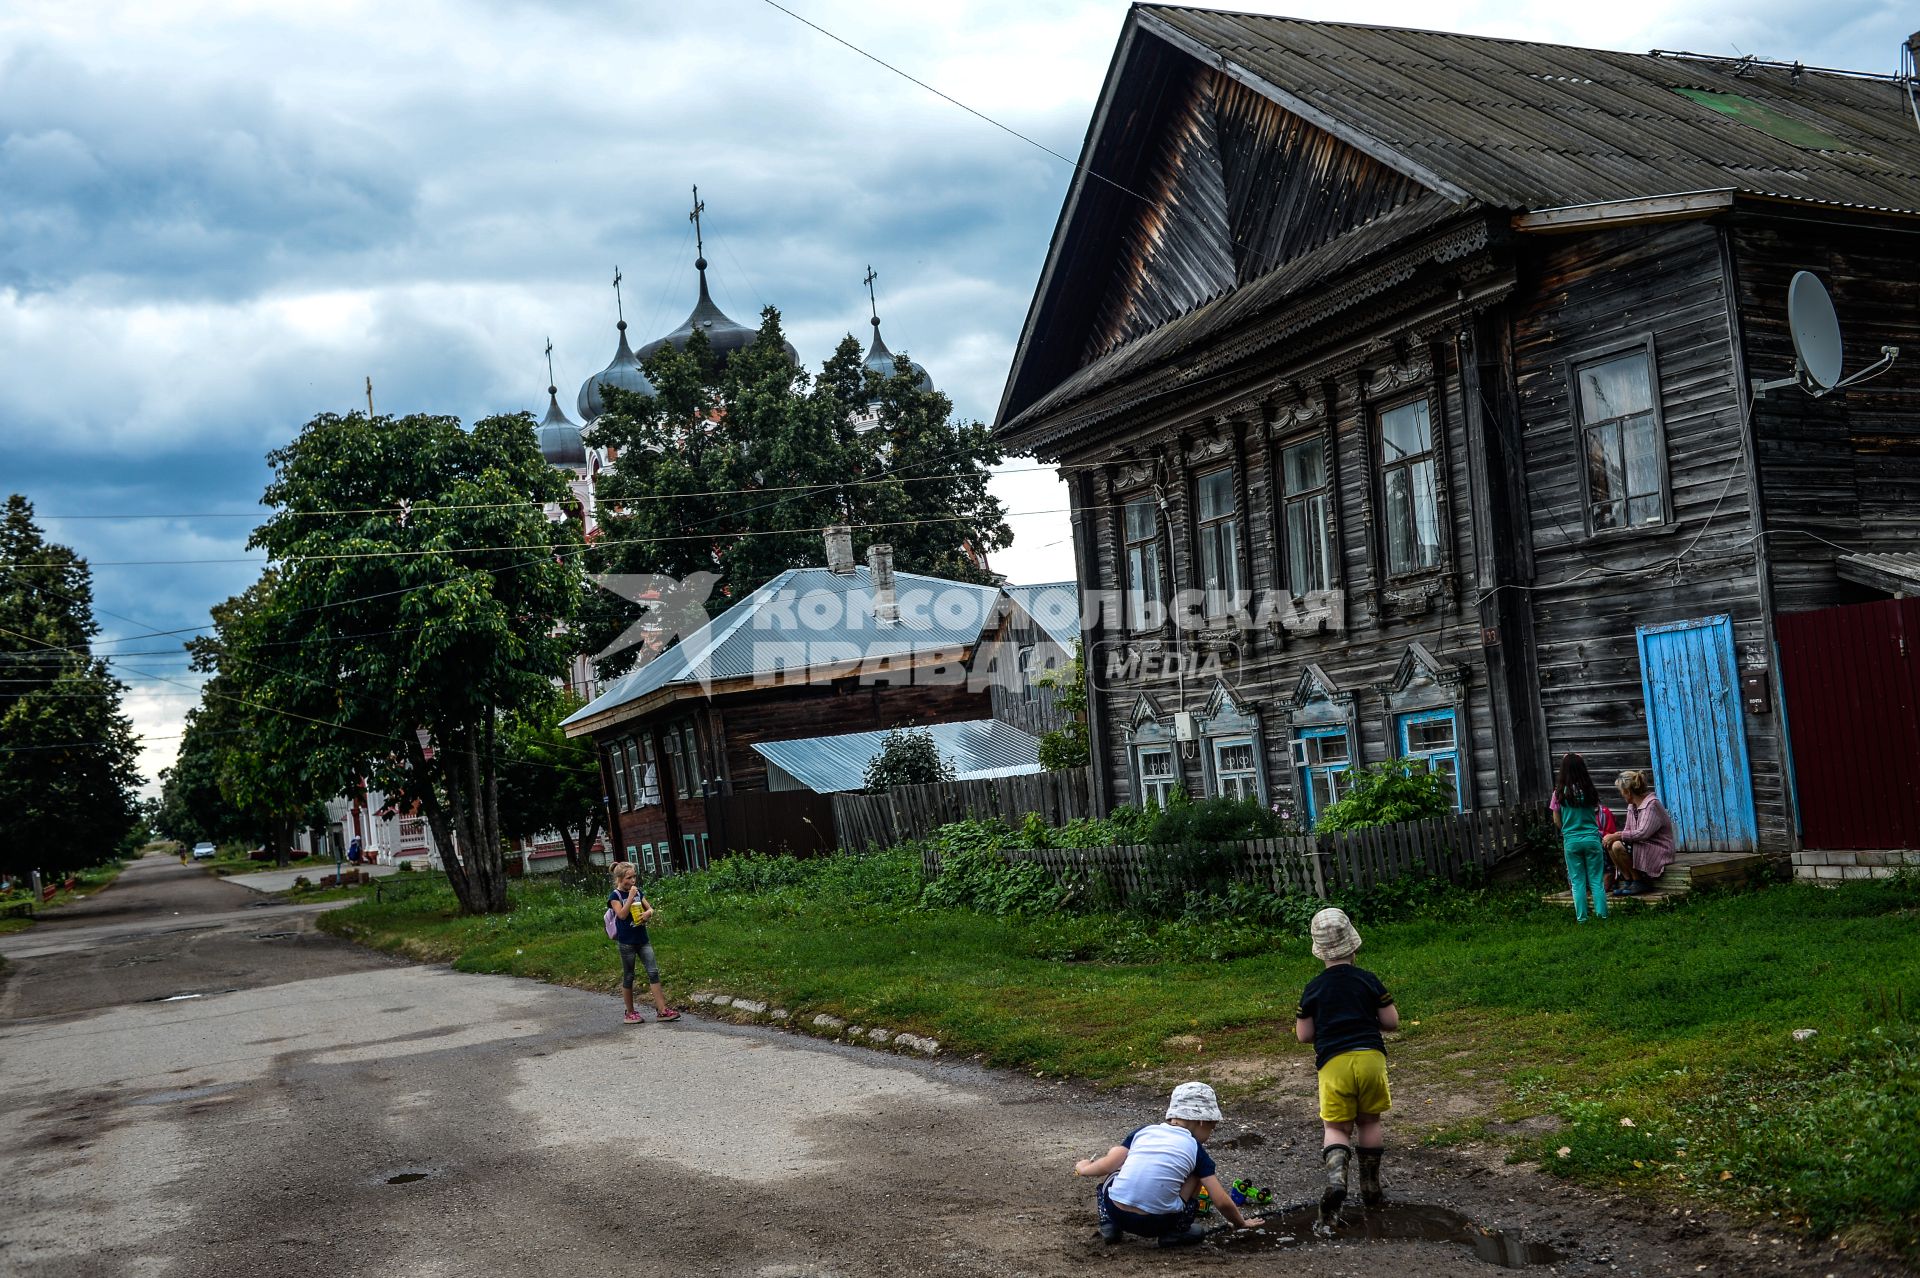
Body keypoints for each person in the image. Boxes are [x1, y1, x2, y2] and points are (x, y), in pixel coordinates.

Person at [1296, 907, 1397, 1227]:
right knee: (1369, 1122)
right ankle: (1370, 1186)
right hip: (1370, 1058)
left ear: (1319, 951)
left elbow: (1304, 1035)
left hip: (1333, 1064)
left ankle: (1338, 1181)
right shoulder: (1368, 980)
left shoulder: (1313, 988)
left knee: (1336, 1127)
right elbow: (1391, 1021)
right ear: (1353, 945)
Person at [1072, 1081, 1264, 1246]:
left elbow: (1106, 1166)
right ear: (1203, 1121)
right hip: (1158, 1223)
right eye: (1212, 1128)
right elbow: (1221, 1200)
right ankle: (1176, 1232)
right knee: (1197, 1175)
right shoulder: (1196, 1149)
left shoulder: (1144, 1132)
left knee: (1114, 1172)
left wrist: (1083, 1168)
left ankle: (1109, 1225)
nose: (1210, 1134)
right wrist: (1241, 1223)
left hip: (1117, 1213)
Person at [607, 861, 681, 1025]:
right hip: (626, 942)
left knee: (653, 972)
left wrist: (648, 913)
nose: (633, 881)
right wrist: (631, 897)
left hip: (642, 939)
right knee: (629, 975)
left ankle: (662, 1010)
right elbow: (621, 915)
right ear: (620, 878)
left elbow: (650, 908)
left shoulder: (638, 892)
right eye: (629, 878)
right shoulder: (615, 896)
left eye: (634, 877)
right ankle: (630, 1012)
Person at [1552, 752, 1608, 922]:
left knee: (1577, 882)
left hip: (1571, 841)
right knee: (1597, 880)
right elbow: (1599, 813)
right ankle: (1602, 916)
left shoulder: (1559, 793)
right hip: (1591, 838)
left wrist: (1568, 830)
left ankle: (1582, 919)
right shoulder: (1589, 790)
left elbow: (1556, 820)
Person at [1605, 769, 1676, 896]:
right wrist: (1613, 837)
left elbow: (1643, 833)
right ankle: (1629, 880)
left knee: (1616, 844)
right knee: (1611, 844)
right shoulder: (1632, 807)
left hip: (1659, 849)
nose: (1621, 794)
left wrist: (1617, 836)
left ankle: (1639, 881)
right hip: (1643, 845)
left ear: (1627, 792)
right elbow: (1628, 831)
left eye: (1621, 791)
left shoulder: (1651, 805)